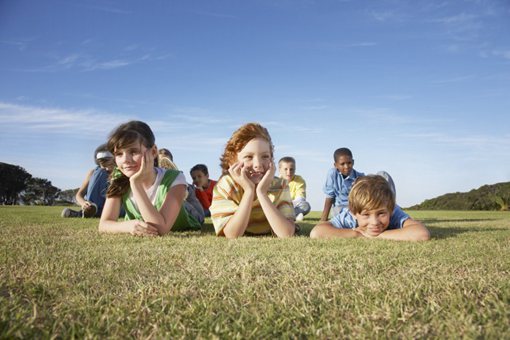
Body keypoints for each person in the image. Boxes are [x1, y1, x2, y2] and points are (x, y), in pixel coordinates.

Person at [98, 120, 202, 236]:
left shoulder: (175, 177)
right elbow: (104, 224)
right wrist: (128, 226)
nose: (125, 160)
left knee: (193, 208)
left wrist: (135, 184)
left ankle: (189, 195)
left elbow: (160, 229)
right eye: (119, 154)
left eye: (133, 152)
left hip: (191, 216)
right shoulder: (119, 179)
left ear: (153, 152)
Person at [209, 122, 296, 238]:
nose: (258, 165)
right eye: (249, 157)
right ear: (232, 161)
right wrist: (249, 191)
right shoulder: (226, 186)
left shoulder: (280, 185)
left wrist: (262, 193)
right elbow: (232, 234)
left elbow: (286, 233)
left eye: (265, 156)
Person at [310, 175, 430, 241]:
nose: (374, 222)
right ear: (353, 213)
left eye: (381, 214)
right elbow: (316, 233)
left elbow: (422, 233)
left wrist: (379, 236)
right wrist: (357, 234)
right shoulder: (348, 216)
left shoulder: (393, 211)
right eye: (366, 215)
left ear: (391, 209)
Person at [61, 143, 114, 218]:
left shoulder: (123, 171)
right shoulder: (94, 173)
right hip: (97, 205)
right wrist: (84, 203)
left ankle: (79, 214)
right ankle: (91, 209)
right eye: (104, 166)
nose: (108, 169)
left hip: (116, 207)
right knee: (99, 172)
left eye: (111, 165)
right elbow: (79, 195)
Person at [157, 148, 205, 224]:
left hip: (197, 215)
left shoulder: (183, 183)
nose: (163, 166)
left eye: (166, 162)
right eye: (160, 163)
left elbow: (200, 219)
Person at [320, 148, 365, 221]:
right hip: (339, 208)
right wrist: (323, 220)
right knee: (341, 216)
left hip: (355, 207)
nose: (346, 167)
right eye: (342, 164)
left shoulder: (360, 177)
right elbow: (330, 197)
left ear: (353, 162)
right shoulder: (332, 174)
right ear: (336, 165)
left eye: (349, 163)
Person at [278, 156, 311, 222]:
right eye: (285, 169)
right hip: (279, 207)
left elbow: (300, 198)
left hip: (293, 206)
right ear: (280, 170)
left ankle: (290, 215)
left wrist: (288, 205)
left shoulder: (299, 180)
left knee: (306, 206)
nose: (289, 172)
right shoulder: (276, 181)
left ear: (295, 169)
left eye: (291, 169)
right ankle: (293, 215)